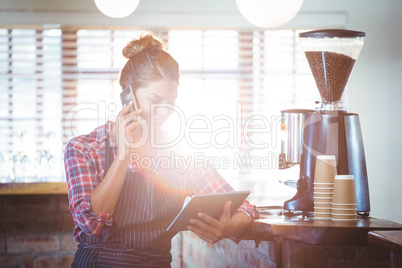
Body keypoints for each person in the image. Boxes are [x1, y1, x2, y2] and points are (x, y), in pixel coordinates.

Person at [64, 32, 259, 267]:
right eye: (155, 100)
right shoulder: (84, 148)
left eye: (171, 101)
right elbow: (91, 223)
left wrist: (229, 227)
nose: (165, 111)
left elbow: (243, 207)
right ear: (128, 95)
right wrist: (123, 155)